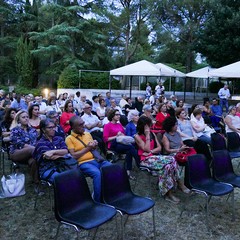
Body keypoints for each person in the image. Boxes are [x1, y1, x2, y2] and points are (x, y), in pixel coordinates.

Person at [135, 116, 190, 204]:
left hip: (154, 157)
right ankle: (178, 185)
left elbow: (159, 148)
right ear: (143, 126)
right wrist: (147, 135)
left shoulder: (153, 133)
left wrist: (151, 151)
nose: (150, 127)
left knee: (168, 165)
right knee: (171, 161)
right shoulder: (137, 136)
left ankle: (167, 193)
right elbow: (146, 149)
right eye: (148, 126)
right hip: (145, 160)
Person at [65, 115, 111, 202]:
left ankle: (109, 194)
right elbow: (74, 155)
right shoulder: (69, 139)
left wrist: (94, 144)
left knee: (111, 167)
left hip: (96, 159)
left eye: (83, 123)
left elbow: (92, 148)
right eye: (80, 125)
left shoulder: (87, 134)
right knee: (97, 174)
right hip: (83, 163)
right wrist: (87, 148)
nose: (83, 126)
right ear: (73, 127)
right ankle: (98, 201)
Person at [103, 109, 140, 179]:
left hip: (121, 143)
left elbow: (124, 135)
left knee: (129, 150)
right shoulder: (107, 125)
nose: (119, 116)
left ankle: (127, 171)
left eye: (119, 114)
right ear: (112, 116)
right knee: (130, 147)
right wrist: (116, 136)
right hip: (112, 145)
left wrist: (121, 135)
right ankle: (139, 163)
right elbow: (105, 139)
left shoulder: (119, 125)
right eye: (117, 115)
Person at [33, 118, 70, 183]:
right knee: (63, 180)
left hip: (63, 165)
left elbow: (65, 151)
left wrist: (53, 151)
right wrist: (62, 155)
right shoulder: (40, 143)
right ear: (43, 130)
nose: (53, 129)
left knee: (75, 177)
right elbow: (49, 157)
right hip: (47, 168)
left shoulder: (59, 138)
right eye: (50, 128)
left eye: (54, 127)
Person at [9, 110, 39, 186]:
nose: (26, 119)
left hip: (31, 154)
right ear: (19, 119)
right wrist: (35, 149)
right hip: (16, 153)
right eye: (23, 117)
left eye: (27, 117)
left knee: (33, 161)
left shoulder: (33, 130)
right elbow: (20, 144)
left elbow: (36, 142)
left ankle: (36, 183)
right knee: (32, 149)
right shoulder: (15, 130)